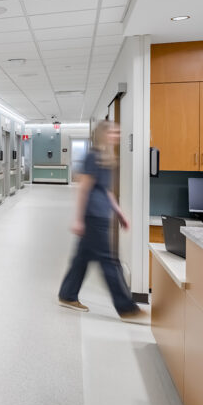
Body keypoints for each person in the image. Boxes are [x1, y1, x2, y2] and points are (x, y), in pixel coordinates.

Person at [58, 120, 144, 320]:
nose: (117, 136)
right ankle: (127, 308)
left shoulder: (108, 159)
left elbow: (106, 191)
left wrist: (119, 212)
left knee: (82, 258)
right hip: (94, 216)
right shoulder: (93, 157)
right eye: (113, 132)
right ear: (103, 135)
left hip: (101, 215)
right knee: (109, 261)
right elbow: (84, 188)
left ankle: (67, 295)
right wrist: (78, 219)